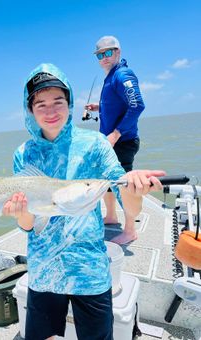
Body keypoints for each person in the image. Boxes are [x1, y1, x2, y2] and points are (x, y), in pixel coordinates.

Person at [3, 63, 164, 340]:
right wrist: (20, 214)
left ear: (70, 103)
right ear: (29, 110)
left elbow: (127, 201)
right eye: (40, 104)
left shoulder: (95, 144)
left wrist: (134, 191)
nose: (50, 111)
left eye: (58, 101)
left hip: (89, 270)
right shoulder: (23, 154)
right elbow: (28, 226)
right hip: (44, 271)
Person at [85, 35, 145, 245]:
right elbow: (116, 106)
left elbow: (137, 106)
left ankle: (130, 230)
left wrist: (116, 133)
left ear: (118, 52)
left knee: (123, 184)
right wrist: (98, 107)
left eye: (108, 52)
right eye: (99, 54)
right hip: (110, 142)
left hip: (122, 141)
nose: (103, 57)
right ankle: (111, 216)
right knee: (107, 180)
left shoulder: (122, 75)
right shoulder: (110, 76)